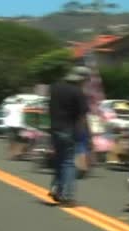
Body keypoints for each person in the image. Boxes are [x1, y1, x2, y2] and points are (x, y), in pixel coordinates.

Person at [48, 66, 90, 207]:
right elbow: (82, 116)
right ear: (82, 79)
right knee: (68, 163)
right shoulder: (77, 92)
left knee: (59, 161)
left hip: (54, 128)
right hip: (69, 129)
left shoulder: (55, 88)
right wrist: (82, 134)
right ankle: (68, 196)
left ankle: (56, 188)